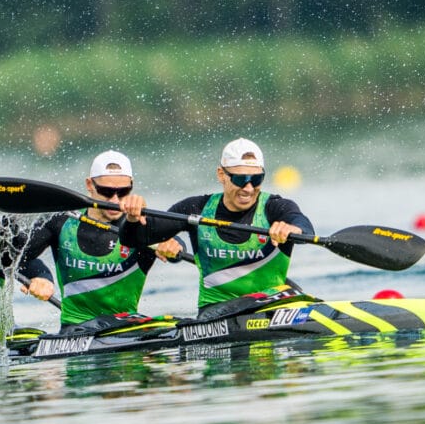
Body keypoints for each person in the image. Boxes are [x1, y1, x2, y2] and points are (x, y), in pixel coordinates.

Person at [119, 138, 313, 314]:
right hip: (216, 313)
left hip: (273, 308)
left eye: (256, 179)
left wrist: (294, 230)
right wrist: (133, 219)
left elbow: (303, 225)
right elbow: (133, 239)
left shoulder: (276, 208)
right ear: (221, 175)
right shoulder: (195, 209)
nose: (248, 188)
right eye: (240, 179)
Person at [19, 151, 176, 330]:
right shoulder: (61, 222)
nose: (115, 200)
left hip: (126, 328)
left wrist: (172, 246)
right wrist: (40, 276)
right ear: (89, 184)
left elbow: (177, 248)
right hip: (75, 330)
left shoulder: (142, 225)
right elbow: (13, 258)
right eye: (106, 191)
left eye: (124, 192)